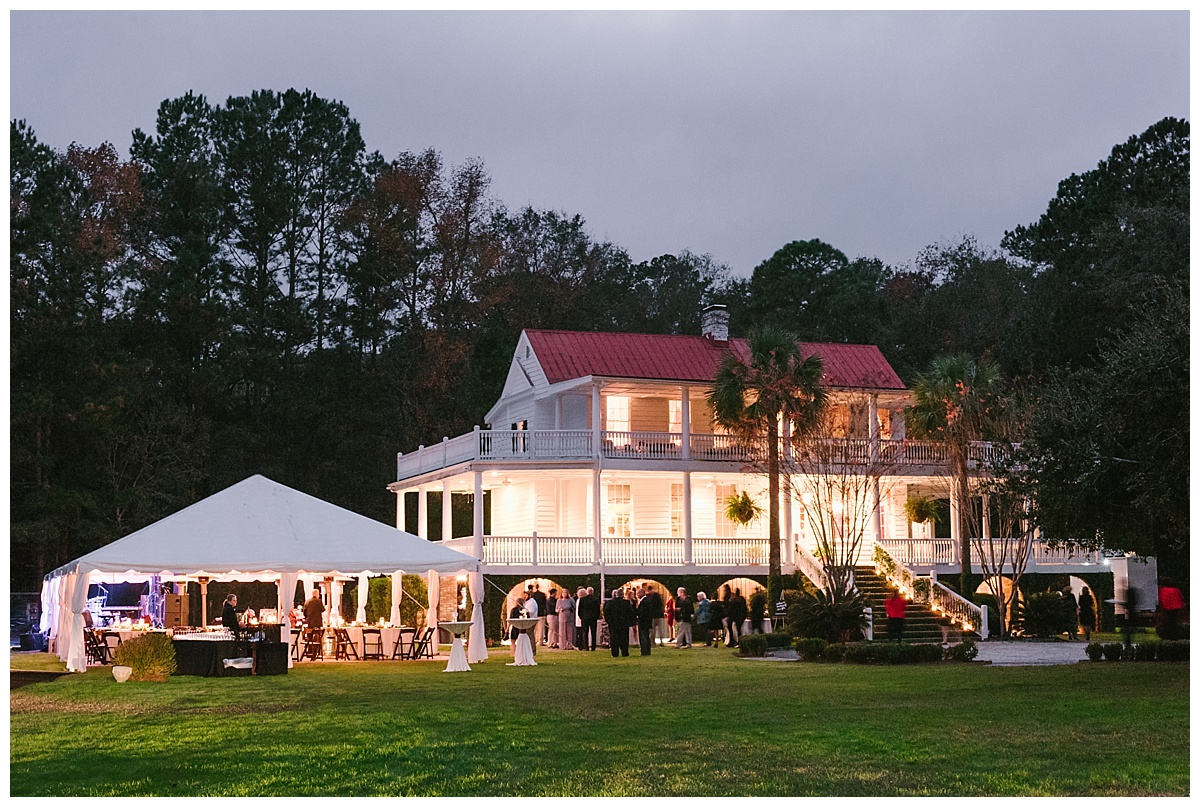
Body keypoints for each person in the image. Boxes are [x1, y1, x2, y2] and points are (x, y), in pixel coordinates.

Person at [603, 588, 635, 658]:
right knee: (624, 639)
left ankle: (615, 653)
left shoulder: (610, 603)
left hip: (613, 624)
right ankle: (625, 652)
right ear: (622, 595)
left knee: (614, 639)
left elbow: (606, 613)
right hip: (624, 624)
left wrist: (609, 621)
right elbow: (630, 613)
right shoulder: (626, 603)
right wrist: (629, 622)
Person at [637, 583, 664, 656]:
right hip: (648, 621)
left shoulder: (645, 601)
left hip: (644, 622)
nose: (637, 595)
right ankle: (647, 650)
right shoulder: (647, 600)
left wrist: (638, 616)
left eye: (638, 593)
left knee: (644, 637)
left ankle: (645, 651)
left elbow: (642, 612)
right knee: (647, 635)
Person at [578, 586, 601, 651]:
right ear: (592, 592)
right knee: (593, 633)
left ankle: (586, 646)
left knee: (585, 632)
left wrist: (581, 617)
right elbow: (597, 610)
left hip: (585, 618)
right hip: (593, 618)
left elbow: (580, 610)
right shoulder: (595, 599)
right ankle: (593, 647)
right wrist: (596, 617)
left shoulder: (582, 599)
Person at [523, 586, 540, 655]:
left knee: (530, 635)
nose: (525, 596)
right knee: (529, 635)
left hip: (531, 621)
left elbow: (531, 611)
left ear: (529, 596)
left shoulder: (532, 602)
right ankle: (530, 650)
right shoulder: (528, 602)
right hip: (528, 621)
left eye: (526, 595)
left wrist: (524, 611)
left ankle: (532, 651)